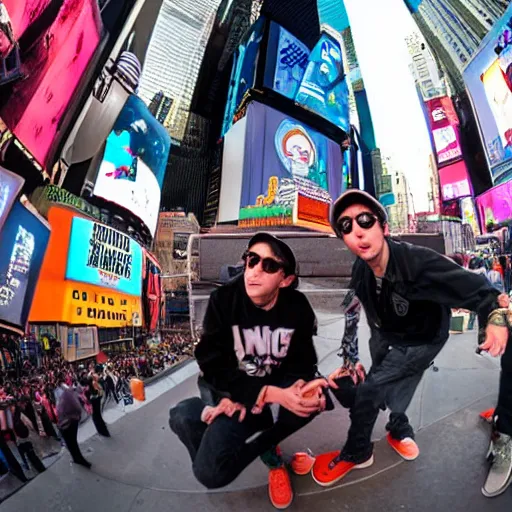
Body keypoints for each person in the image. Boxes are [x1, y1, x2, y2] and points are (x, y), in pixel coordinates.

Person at [312, 189, 511, 499]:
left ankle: (357, 452)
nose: (358, 232)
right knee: (384, 380)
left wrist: (495, 319)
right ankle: (399, 426)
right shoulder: (360, 268)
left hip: (423, 339)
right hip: (385, 333)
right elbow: (352, 307)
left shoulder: (419, 263)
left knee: (370, 390)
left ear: (384, 227)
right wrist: (351, 357)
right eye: (347, 226)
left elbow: (478, 289)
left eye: (365, 220)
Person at [169, 233, 329, 510]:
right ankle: (247, 447)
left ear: (286, 279)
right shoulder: (224, 300)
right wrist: (228, 398)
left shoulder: (297, 307)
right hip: (231, 392)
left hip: (273, 390)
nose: (254, 271)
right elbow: (211, 361)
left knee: (308, 406)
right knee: (206, 460)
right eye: (251, 260)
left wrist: (306, 387)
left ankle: (273, 459)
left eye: (268, 266)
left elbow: (303, 363)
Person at [56, 376, 91, 469]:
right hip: (72, 420)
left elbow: (60, 409)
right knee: (73, 443)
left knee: (71, 443)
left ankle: (78, 459)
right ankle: (78, 459)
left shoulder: (64, 394)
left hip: (67, 422)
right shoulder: (70, 391)